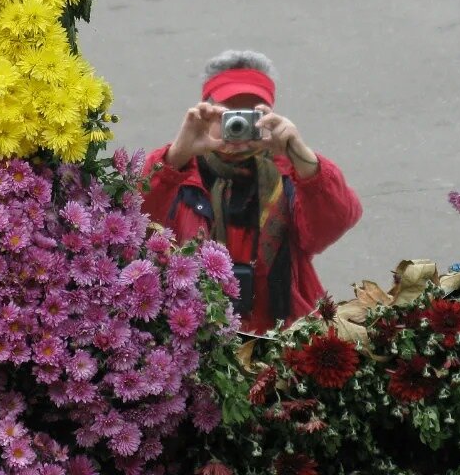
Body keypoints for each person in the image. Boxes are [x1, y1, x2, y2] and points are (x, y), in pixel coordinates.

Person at [142, 50, 362, 334]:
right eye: (229, 115)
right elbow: (134, 222)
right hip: (194, 332)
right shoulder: (177, 172)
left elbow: (332, 224)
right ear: (205, 112)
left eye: (251, 116)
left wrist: (301, 154)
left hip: (278, 333)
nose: (240, 129)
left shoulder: (290, 174)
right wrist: (175, 157)